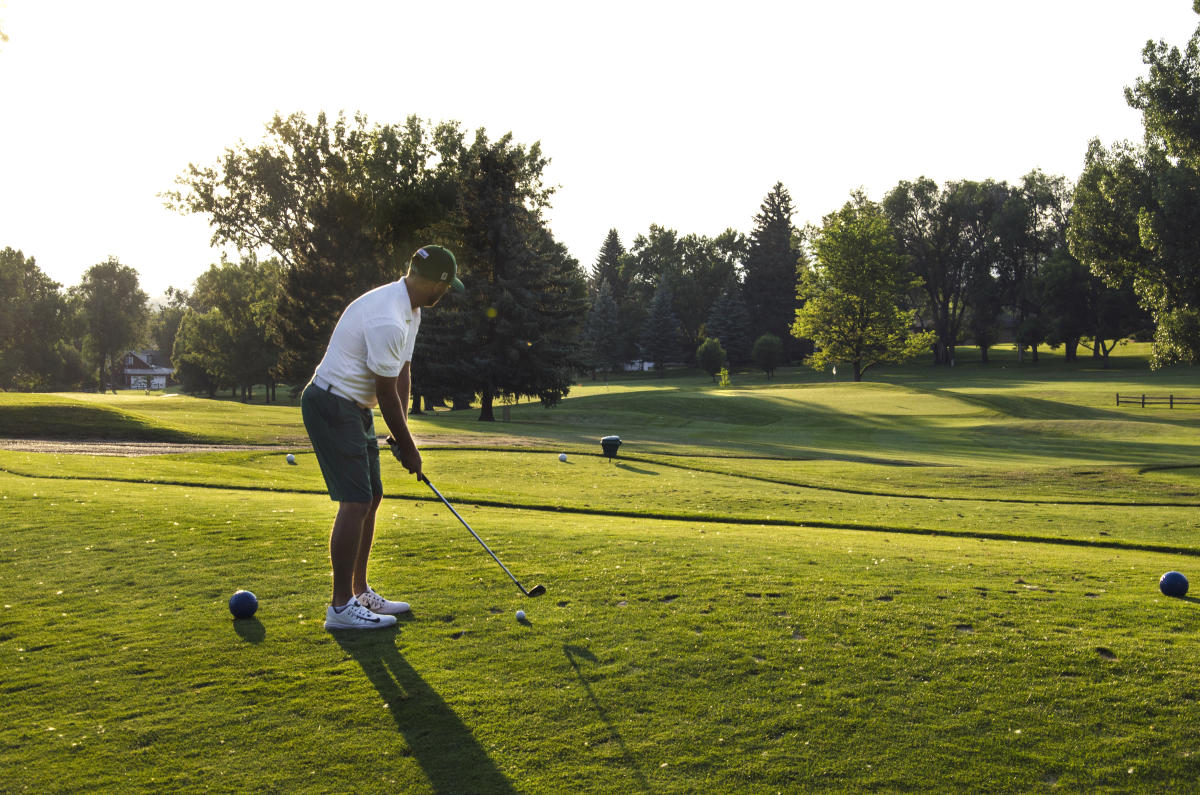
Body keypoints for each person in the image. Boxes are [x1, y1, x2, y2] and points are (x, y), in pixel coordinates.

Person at [301, 245, 464, 631]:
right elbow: (386, 392)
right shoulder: (388, 317)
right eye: (445, 286)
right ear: (435, 283)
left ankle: (359, 592)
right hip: (331, 402)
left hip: (355, 406)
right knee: (355, 501)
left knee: (372, 496)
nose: (445, 294)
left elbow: (403, 373)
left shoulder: (411, 310)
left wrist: (399, 432)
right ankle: (340, 608)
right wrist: (410, 448)